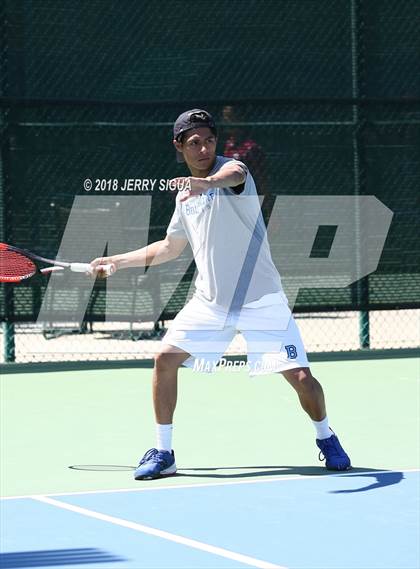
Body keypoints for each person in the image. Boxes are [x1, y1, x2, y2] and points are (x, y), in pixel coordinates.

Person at [90, 109, 351, 480]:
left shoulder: (232, 173)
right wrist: (117, 260)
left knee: (303, 381)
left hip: (261, 300)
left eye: (209, 140)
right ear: (178, 146)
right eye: (193, 142)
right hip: (210, 303)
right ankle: (164, 452)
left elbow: (235, 175)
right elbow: (169, 247)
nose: (203, 148)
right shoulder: (184, 195)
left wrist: (207, 183)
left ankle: (326, 438)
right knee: (164, 359)